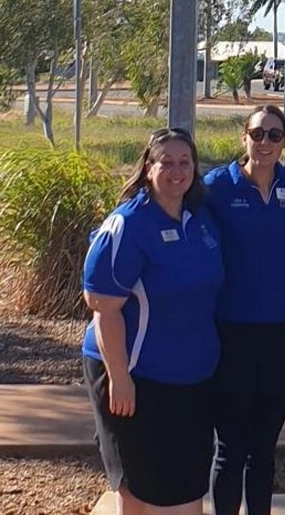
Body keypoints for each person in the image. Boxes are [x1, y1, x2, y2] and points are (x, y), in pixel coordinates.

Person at [82, 128, 224, 515]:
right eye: (166, 162)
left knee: (186, 485)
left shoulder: (201, 220)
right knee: (141, 489)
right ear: (148, 168)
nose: (176, 170)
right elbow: (102, 305)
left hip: (193, 378)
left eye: (185, 161)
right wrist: (119, 378)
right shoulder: (129, 224)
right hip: (137, 376)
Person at [204, 105, 285, 515]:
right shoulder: (216, 188)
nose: (265, 143)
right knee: (230, 446)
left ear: (284, 143)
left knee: (264, 448)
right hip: (231, 331)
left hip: (280, 331)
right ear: (244, 137)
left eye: (274, 136)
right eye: (258, 134)